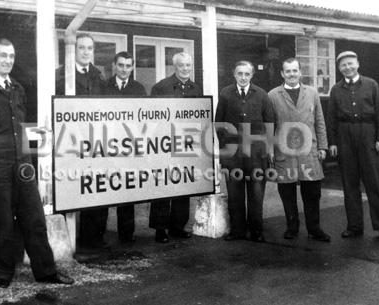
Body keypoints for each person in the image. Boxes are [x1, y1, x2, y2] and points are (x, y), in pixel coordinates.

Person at [0, 38, 73, 288]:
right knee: (1, 222)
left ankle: (46, 272)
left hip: (23, 167)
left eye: (11, 56)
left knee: (35, 218)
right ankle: (2, 275)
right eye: (3, 55)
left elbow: (24, 127)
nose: (8, 61)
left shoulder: (18, 89)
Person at [327, 51, 379, 241]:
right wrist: (333, 142)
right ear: (339, 69)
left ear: (358, 64)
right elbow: (331, 118)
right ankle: (354, 226)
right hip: (345, 137)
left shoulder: (371, 85)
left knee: (375, 183)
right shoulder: (336, 90)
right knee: (350, 183)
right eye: (343, 65)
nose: (348, 67)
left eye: (350, 64)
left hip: (368, 135)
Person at [268, 58, 331, 242]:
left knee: (312, 193)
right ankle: (292, 227)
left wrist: (323, 146)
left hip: (309, 150)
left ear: (300, 72)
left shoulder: (312, 93)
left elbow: (320, 121)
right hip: (283, 151)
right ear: (282, 74)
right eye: (288, 71)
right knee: (287, 192)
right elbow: (269, 125)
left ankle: (314, 229)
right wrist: (270, 149)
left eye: (295, 70)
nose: (292, 74)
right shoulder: (272, 95)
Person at [56, 33, 108, 249]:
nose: (86, 52)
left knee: (96, 187)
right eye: (81, 48)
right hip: (69, 142)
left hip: (94, 141)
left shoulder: (99, 76)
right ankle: (69, 239)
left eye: (90, 48)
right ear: (72, 50)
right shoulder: (60, 76)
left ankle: (93, 237)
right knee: (70, 186)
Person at [215, 60, 274, 242]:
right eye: (240, 73)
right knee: (235, 194)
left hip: (256, 154)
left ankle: (256, 231)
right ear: (234, 74)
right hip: (233, 155)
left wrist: (267, 149)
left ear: (252, 75)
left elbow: (270, 124)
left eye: (246, 74)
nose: (243, 77)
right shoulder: (226, 94)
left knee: (256, 194)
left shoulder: (262, 95)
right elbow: (219, 124)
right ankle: (237, 230)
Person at [149, 52, 203, 243]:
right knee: (164, 186)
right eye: (182, 65)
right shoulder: (161, 87)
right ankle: (160, 229)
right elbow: (152, 118)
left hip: (186, 144)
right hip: (164, 144)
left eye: (189, 65)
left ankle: (177, 226)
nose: (186, 69)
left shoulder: (195, 88)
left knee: (183, 186)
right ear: (175, 66)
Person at [105, 51, 147, 243]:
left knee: (127, 189)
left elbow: (142, 118)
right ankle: (100, 234)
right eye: (120, 65)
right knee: (104, 188)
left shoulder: (138, 89)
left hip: (129, 146)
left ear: (132, 67)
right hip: (107, 145)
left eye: (128, 66)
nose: (124, 69)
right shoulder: (104, 87)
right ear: (114, 65)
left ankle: (126, 234)